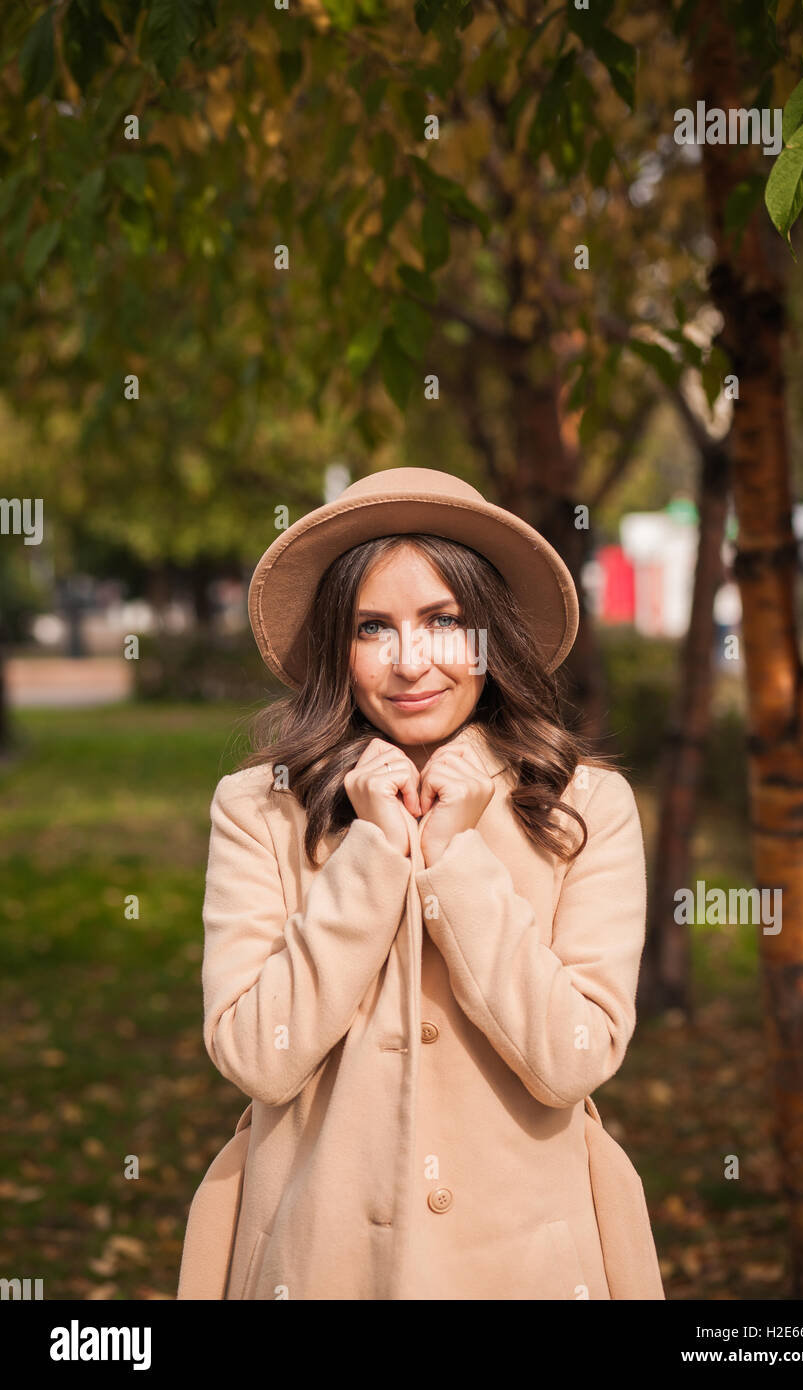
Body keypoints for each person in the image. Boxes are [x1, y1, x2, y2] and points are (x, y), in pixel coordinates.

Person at [177, 467, 664, 1301]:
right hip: (316, 1262)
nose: (411, 662)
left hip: (528, 1268)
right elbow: (258, 1056)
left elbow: (572, 1060)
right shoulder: (259, 808)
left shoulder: (584, 807)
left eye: (443, 621)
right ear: (340, 645)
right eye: (374, 627)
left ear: (490, 636)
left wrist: (455, 857)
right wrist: (372, 853)